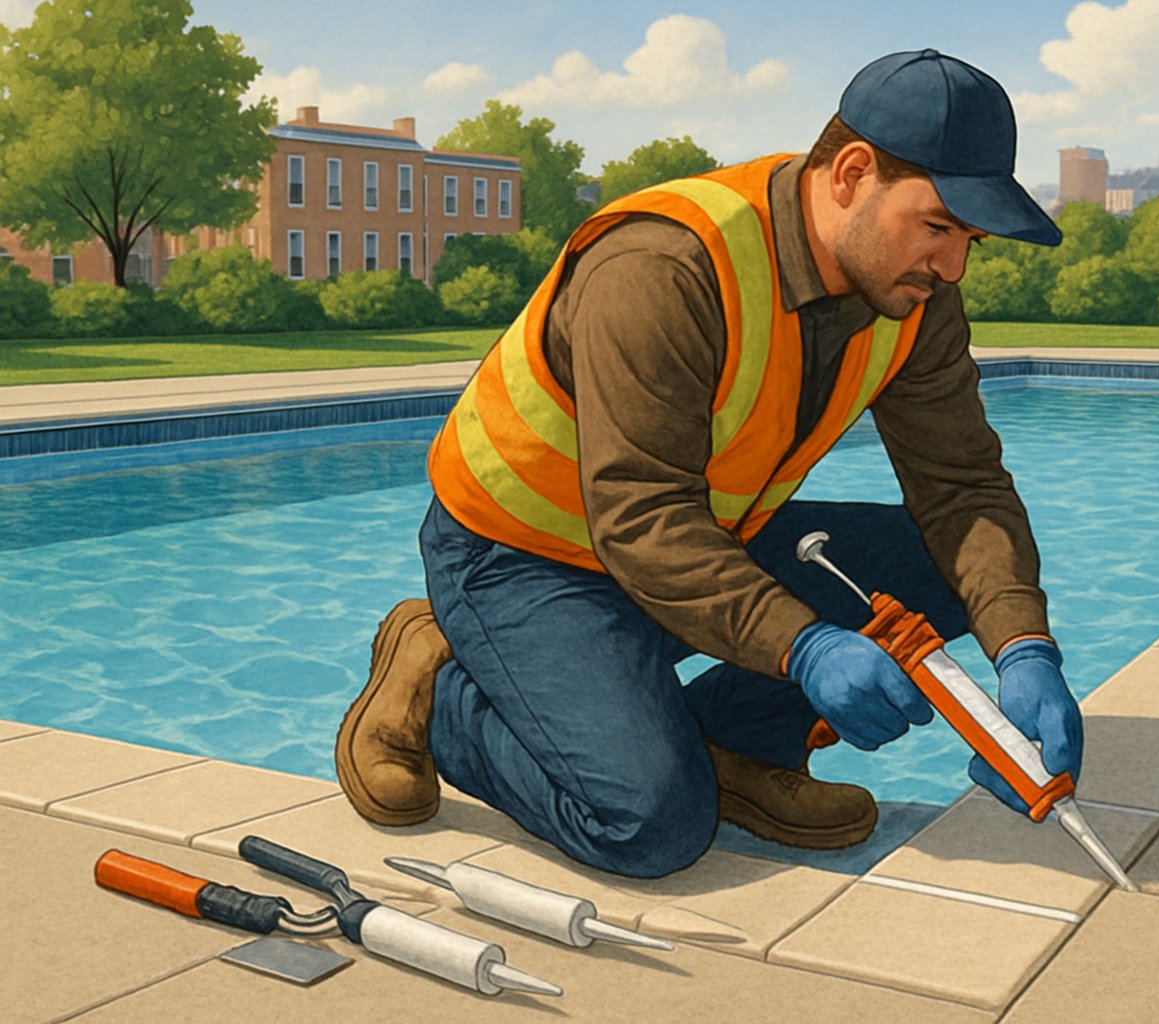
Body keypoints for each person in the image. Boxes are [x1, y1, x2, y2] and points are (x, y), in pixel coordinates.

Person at [334, 49, 1084, 879]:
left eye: (968, 239)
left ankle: (733, 745)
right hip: (524, 556)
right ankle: (442, 686)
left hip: (700, 535)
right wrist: (803, 648)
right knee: (650, 825)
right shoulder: (664, 265)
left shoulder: (912, 294)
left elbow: (964, 487)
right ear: (852, 173)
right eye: (938, 226)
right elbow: (642, 516)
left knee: (943, 572)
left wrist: (1023, 648)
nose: (952, 267)